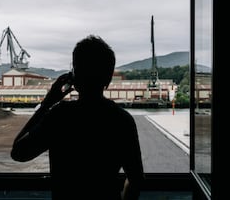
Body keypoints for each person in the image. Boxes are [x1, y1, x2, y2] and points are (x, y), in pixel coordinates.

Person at [11, 34, 144, 200]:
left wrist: (46, 104)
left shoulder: (59, 116)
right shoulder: (123, 120)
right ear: (108, 79)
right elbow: (137, 180)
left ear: (75, 75)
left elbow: (18, 153)